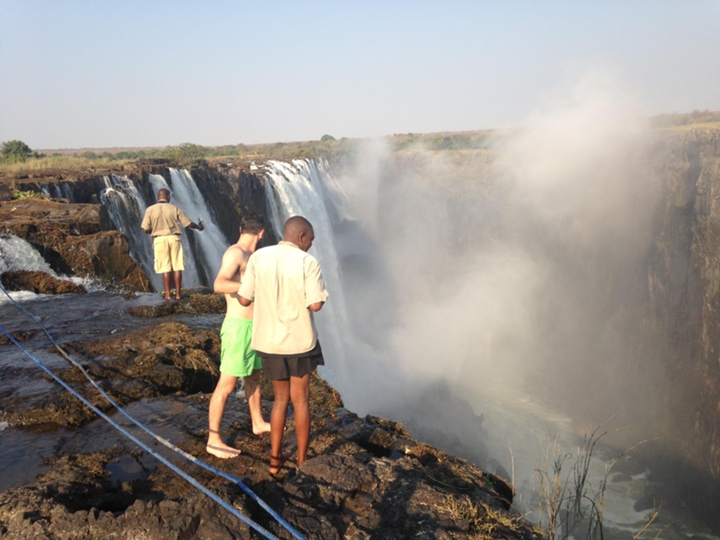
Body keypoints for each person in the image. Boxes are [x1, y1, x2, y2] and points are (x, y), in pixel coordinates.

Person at [238, 216, 328, 474]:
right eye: (310, 239)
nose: (311, 245)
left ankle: (275, 462)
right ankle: (301, 461)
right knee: (301, 401)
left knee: (279, 401)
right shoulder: (307, 262)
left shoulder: (258, 257)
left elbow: (244, 300)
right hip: (300, 343)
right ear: (301, 237)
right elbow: (315, 305)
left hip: (269, 342)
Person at [206, 217, 270, 459]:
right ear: (262, 232)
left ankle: (258, 422)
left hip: (255, 327)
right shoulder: (236, 252)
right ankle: (213, 439)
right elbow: (219, 284)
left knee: (254, 376)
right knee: (227, 385)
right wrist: (248, 287)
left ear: (242, 228)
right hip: (238, 328)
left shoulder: (254, 256)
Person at [140, 188, 204, 300]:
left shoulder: (150, 210)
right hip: (174, 239)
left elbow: (145, 229)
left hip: (159, 240)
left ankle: (168, 295)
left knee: (165, 269)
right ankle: (178, 294)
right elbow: (188, 223)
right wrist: (199, 227)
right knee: (177, 267)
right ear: (168, 197)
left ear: (158, 197)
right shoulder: (174, 208)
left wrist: (154, 231)